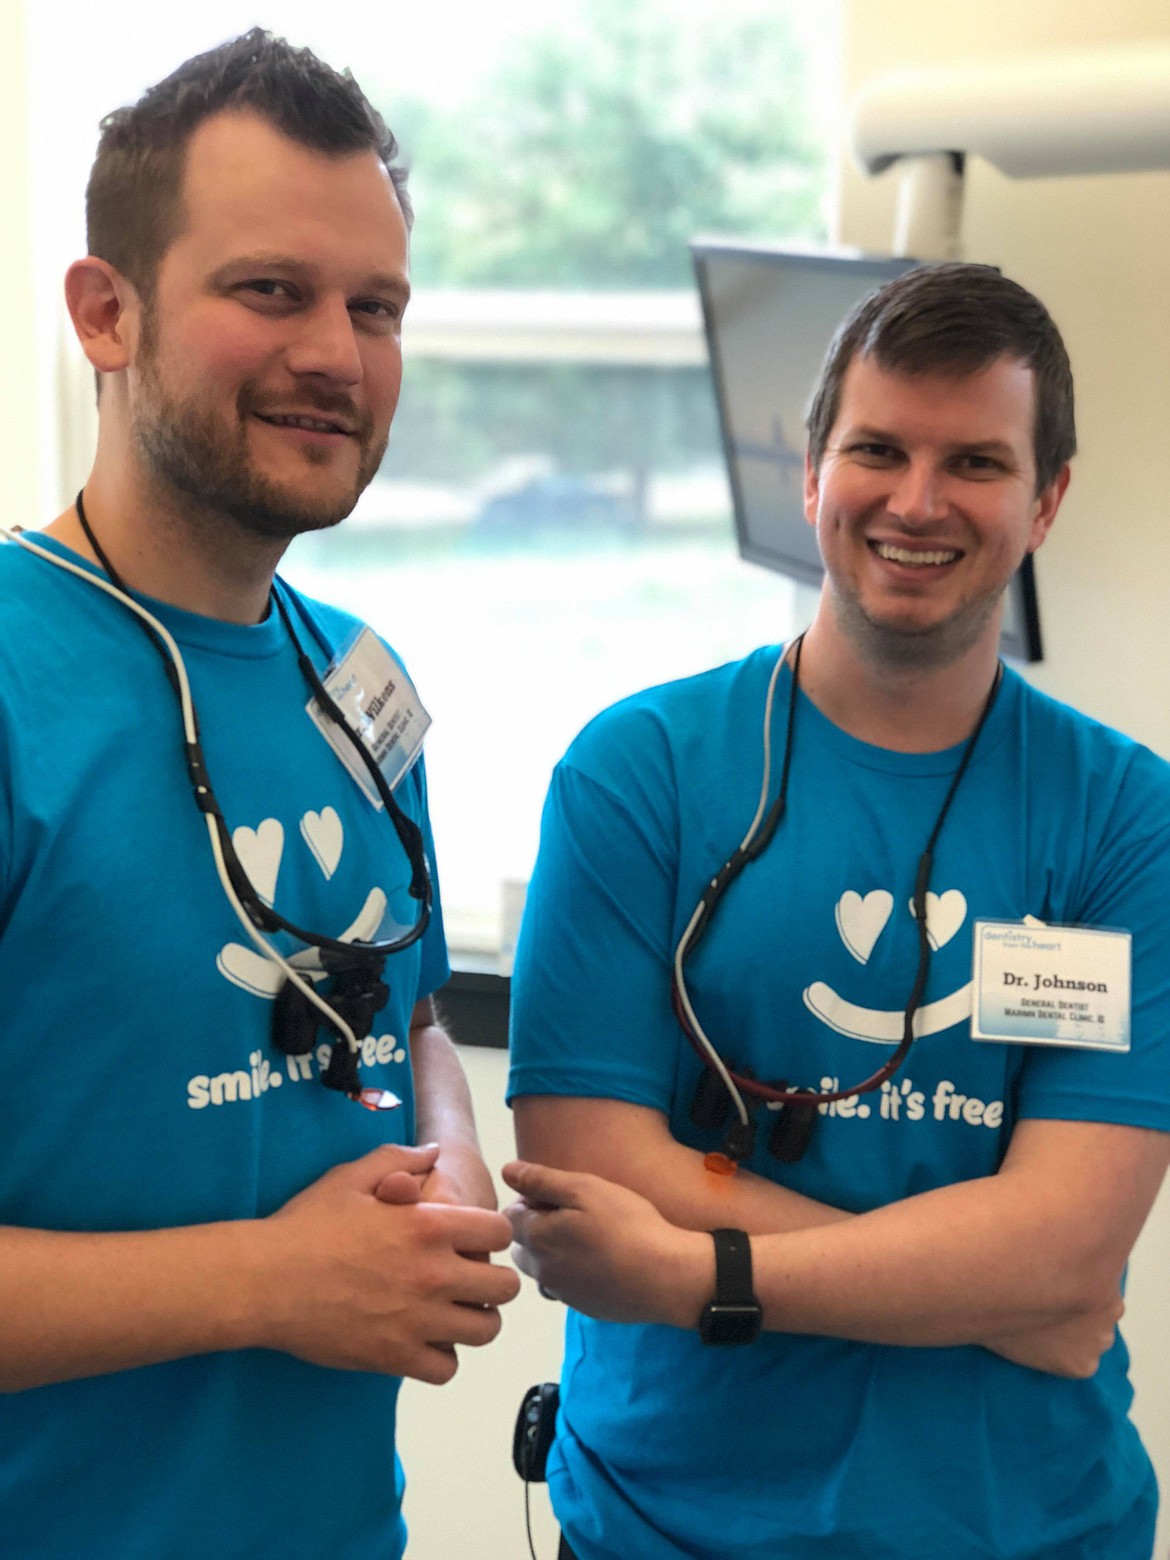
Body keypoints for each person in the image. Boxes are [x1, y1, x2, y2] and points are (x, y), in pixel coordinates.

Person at [504, 263, 1170, 1560]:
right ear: (807, 473)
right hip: (667, 1524)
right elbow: (588, 1168)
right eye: (876, 448)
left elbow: (1065, 1254)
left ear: (1045, 501)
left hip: (1025, 1526)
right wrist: (984, 1290)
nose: (916, 501)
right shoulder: (637, 771)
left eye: (974, 461)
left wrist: (703, 1274)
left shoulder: (1119, 817)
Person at [0, 30, 520, 1560]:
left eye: (377, 308)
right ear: (107, 313)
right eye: (270, 292)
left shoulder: (363, 685)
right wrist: (264, 1286)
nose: (337, 357)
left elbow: (409, 1011)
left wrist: (450, 1160)